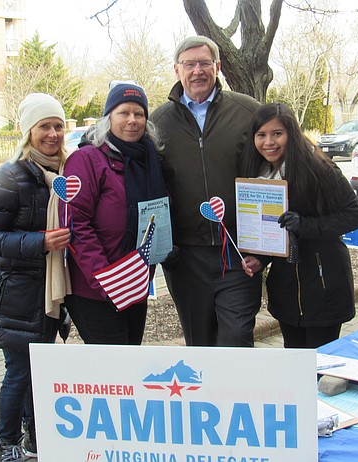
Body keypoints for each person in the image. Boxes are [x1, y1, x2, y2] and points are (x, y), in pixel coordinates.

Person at [0, 93, 72, 461]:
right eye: (44, 126)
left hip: (48, 291)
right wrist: (41, 241)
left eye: (58, 126)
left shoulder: (66, 173)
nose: (52, 134)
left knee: (39, 369)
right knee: (19, 372)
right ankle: (7, 442)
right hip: (15, 295)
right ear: (28, 131)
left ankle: (35, 436)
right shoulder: (9, 176)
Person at [149, 35, 262, 347]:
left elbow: (271, 173)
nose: (197, 71)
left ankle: (241, 393)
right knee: (199, 343)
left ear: (218, 67)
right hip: (186, 257)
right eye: (189, 64)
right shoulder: (157, 122)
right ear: (177, 70)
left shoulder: (248, 112)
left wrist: (263, 249)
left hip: (237, 251)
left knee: (237, 337)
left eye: (204, 63)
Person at [241, 103, 358, 348]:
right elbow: (275, 232)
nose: (269, 142)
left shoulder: (318, 167)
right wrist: (261, 259)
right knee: (294, 362)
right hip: (286, 291)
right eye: (261, 135)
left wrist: (305, 225)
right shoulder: (260, 174)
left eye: (277, 133)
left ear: (292, 134)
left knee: (317, 366)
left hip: (323, 284)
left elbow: (353, 215)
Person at [63, 82, 167, 345]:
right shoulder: (87, 159)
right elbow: (77, 224)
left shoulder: (149, 161)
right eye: (124, 113)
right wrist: (106, 280)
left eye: (139, 114)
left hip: (136, 282)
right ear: (109, 117)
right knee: (112, 371)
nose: (132, 120)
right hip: (96, 289)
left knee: (130, 361)